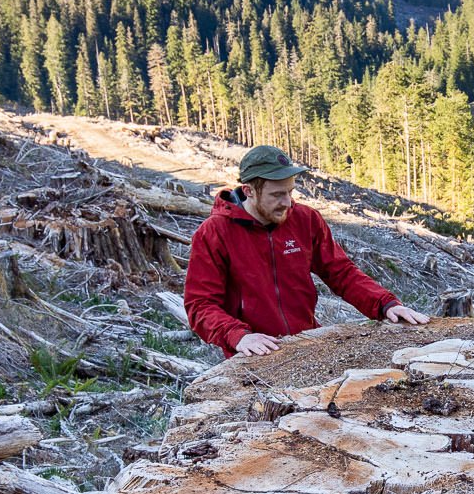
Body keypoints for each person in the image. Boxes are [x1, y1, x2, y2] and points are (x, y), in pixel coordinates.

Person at [183, 145, 431, 356]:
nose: (288, 202)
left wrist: (385, 304)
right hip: (253, 353)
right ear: (249, 191)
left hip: (307, 345)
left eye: (290, 192)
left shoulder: (305, 219)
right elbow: (200, 304)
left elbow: (341, 273)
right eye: (277, 195)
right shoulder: (214, 233)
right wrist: (238, 336)